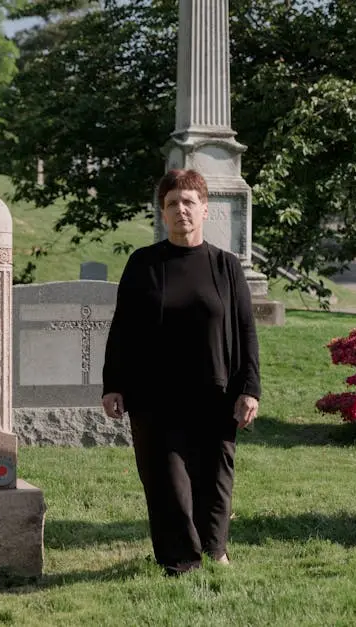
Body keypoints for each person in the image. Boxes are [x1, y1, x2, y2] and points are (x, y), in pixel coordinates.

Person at [101, 168, 261, 576]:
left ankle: (216, 549)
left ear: (205, 209)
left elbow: (245, 330)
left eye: (189, 202)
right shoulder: (143, 265)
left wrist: (250, 388)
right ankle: (180, 561)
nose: (181, 210)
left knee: (216, 475)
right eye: (172, 203)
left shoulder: (226, 267)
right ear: (162, 212)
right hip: (155, 395)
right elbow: (122, 329)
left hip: (215, 392)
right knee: (167, 481)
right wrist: (113, 384)